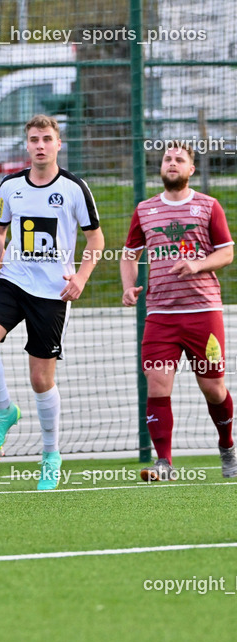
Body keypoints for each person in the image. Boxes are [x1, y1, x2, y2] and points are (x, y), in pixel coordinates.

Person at [0, 115, 104, 491]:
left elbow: (97, 241)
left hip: (52, 293)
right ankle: (5, 412)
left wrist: (80, 278)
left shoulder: (75, 189)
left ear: (59, 144)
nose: (40, 145)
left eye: (47, 138)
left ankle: (50, 453)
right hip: (13, 281)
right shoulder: (11, 186)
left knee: (41, 379)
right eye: (34, 139)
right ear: (26, 145)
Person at [121, 142, 235, 482]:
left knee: (213, 388)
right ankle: (165, 463)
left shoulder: (208, 206)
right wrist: (129, 286)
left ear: (191, 169)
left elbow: (227, 253)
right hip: (160, 315)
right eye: (167, 159)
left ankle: (227, 446)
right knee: (157, 385)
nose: (172, 163)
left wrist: (198, 264)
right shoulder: (145, 210)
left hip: (204, 312)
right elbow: (129, 254)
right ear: (161, 168)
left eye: (179, 159)